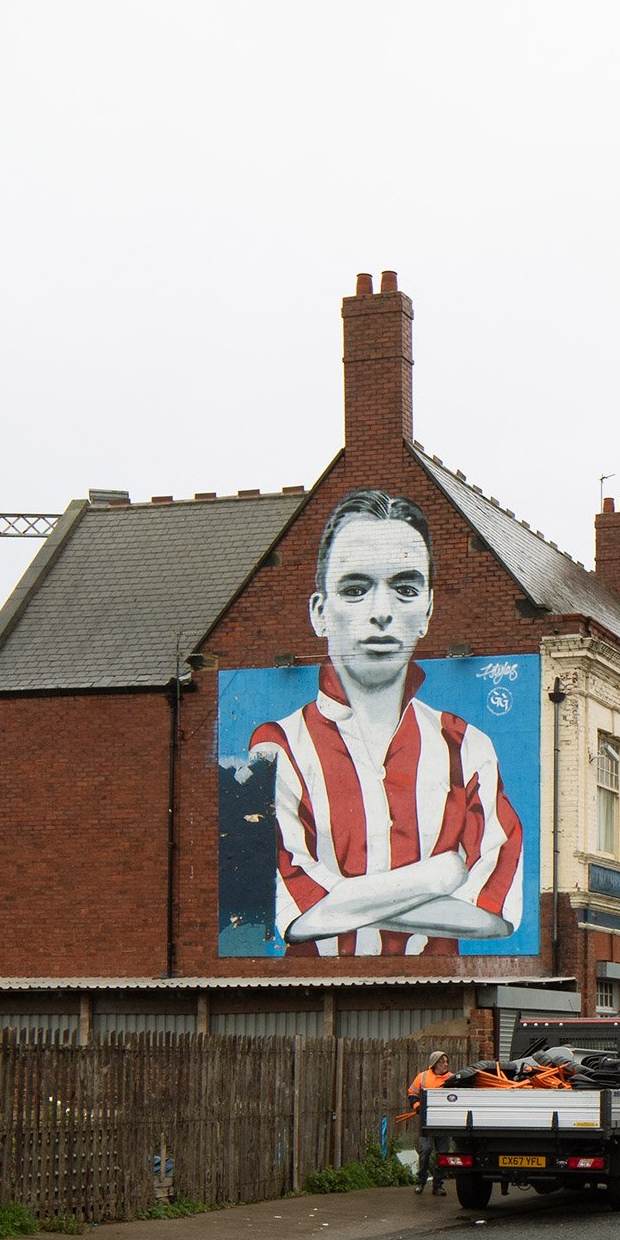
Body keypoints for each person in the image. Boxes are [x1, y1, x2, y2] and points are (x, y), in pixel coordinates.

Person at [244, 489, 525, 955]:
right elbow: (282, 912)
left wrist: (337, 894)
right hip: (312, 1003)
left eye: (406, 589)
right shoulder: (271, 750)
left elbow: (496, 914)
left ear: (428, 611)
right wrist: (441, 875)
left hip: (440, 1006)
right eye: (355, 589)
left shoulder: (469, 747)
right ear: (319, 613)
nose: (381, 611)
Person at [408, 1050, 453, 1196]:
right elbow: (412, 1093)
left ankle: (438, 1185)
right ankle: (421, 1182)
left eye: (446, 1061)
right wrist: (417, 1107)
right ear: (434, 1064)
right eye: (442, 1062)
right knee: (425, 1151)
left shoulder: (452, 1079)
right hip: (426, 1122)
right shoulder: (422, 1077)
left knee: (442, 1154)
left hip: (444, 1123)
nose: (445, 1064)